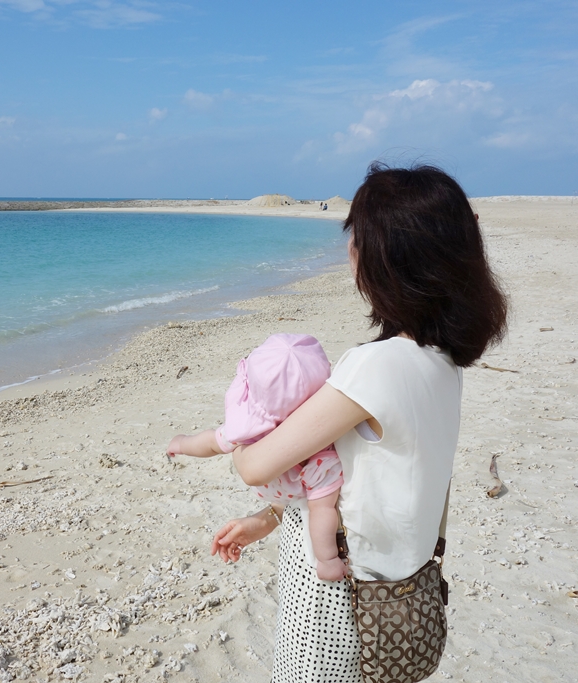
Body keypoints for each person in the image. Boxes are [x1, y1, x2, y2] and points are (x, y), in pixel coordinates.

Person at [205, 163, 508, 682]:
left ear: (388, 260)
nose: (350, 251)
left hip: (338, 599)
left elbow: (255, 466)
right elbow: (360, 473)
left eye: (358, 239)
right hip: (400, 592)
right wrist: (270, 519)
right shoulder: (443, 359)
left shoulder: (376, 367)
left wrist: (237, 427)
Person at [166, 334, 348, 581]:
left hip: (275, 491)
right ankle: (325, 558)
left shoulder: (250, 430)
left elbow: (208, 443)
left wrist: (182, 443)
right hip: (299, 486)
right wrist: (327, 560)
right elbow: (323, 512)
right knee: (321, 506)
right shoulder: (322, 449)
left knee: (216, 438)